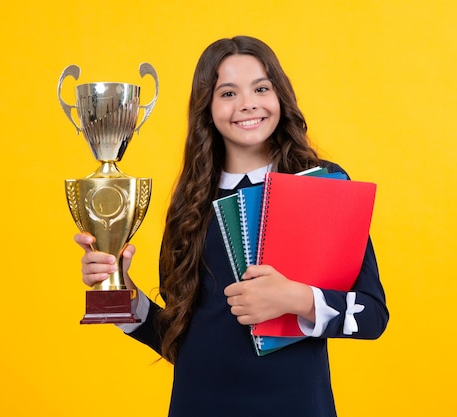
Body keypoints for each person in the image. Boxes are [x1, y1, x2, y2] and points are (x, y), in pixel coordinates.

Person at [75, 35, 388, 417]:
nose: (247, 104)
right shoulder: (189, 203)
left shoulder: (320, 184)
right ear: (206, 107)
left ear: (280, 97)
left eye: (261, 88)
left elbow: (372, 315)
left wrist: (295, 298)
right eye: (227, 93)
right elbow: (177, 341)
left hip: (295, 407)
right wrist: (118, 291)